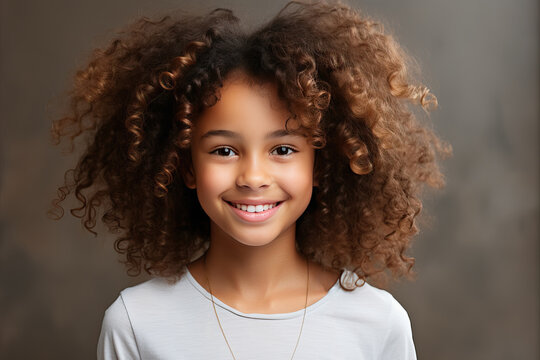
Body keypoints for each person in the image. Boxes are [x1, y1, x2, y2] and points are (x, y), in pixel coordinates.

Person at [49, 1, 451, 358]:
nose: (254, 177)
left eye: (283, 150)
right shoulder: (136, 324)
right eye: (224, 150)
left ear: (319, 165)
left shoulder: (378, 325)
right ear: (186, 166)